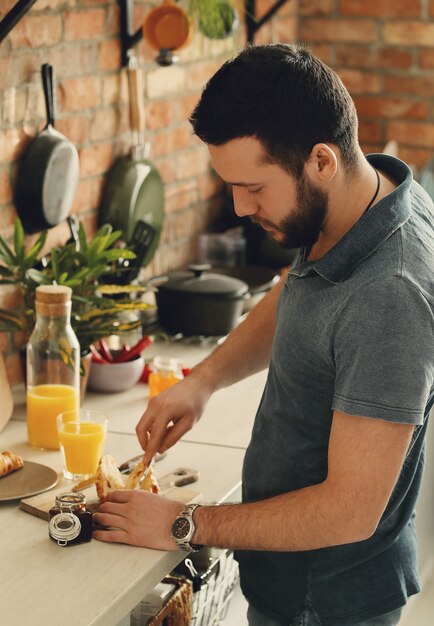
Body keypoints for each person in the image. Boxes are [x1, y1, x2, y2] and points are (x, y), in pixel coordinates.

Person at [93, 44, 434, 626]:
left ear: (321, 161)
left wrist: (185, 523)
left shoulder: (389, 293)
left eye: (253, 187)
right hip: (293, 581)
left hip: (324, 599)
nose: (239, 205)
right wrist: (201, 382)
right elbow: (297, 289)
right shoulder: (353, 200)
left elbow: (350, 511)